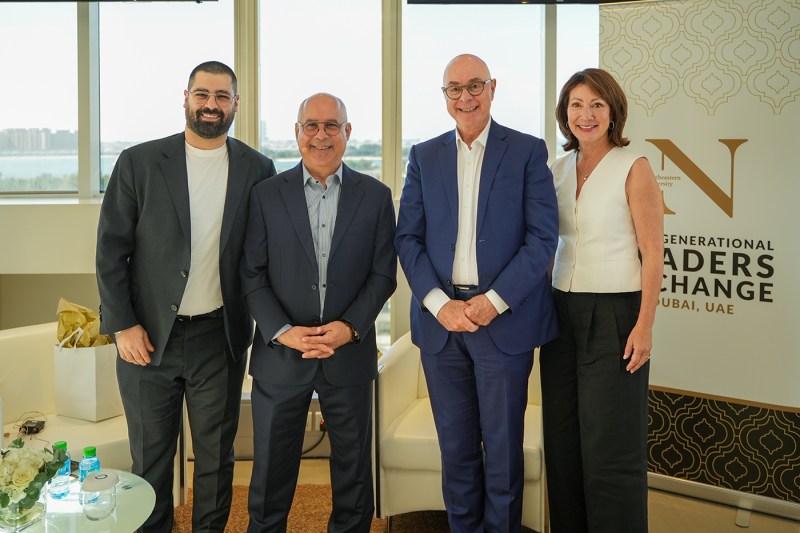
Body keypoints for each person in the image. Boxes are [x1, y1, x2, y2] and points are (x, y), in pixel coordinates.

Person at [95, 61, 277, 532]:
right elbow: (111, 250)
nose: (211, 104)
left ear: (236, 103)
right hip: (146, 337)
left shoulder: (258, 169)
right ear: (186, 98)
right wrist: (121, 324)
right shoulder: (139, 162)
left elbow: (263, 256)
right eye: (203, 94)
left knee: (216, 460)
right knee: (150, 462)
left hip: (219, 337)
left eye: (222, 96)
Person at [395, 54, 559, 533]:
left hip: (502, 323)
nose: (465, 97)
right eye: (454, 89)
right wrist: (440, 305)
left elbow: (541, 239)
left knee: (504, 447)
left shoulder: (527, 151)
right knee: (457, 449)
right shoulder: (423, 156)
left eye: (474, 86)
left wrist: (493, 301)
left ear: (492, 88)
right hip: (441, 324)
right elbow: (408, 237)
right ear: (443, 95)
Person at [240, 93, 396, 533]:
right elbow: (251, 274)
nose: (321, 135)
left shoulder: (376, 196)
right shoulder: (266, 196)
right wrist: (283, 331)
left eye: (332, 126)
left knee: (353, 473)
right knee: (270, 470)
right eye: (311, 125)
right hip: (281, 354)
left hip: (348, 354)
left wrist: (349, 328)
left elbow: (383, 275)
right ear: (296, 133)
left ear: (348, 133)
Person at [540, 67, 664, 533]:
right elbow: (547, 245)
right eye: (576, 104)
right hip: (560, 314)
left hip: (616, 313)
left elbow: (653, 251)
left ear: (613, 110)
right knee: (564, 439)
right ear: (564, 112)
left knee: (610, 445)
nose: (585, 114)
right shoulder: (556, 168)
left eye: (596, 104)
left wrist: (645, 325)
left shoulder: (634, 167)